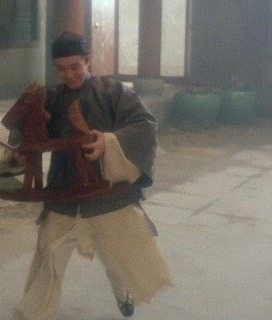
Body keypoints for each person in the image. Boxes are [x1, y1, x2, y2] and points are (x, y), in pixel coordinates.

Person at [14, 32, 170, 320]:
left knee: (117, 259)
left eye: (75, 66)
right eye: (61, 69)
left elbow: (144, 124)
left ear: (88, 60)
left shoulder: (113, 92)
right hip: (64, 189)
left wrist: (108, 142)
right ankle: (33, 313)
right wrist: (21, 146)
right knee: (49, 254)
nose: (68, 75)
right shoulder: (51, 98)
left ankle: (122, 293)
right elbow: (26, 131)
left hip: (108, 192)